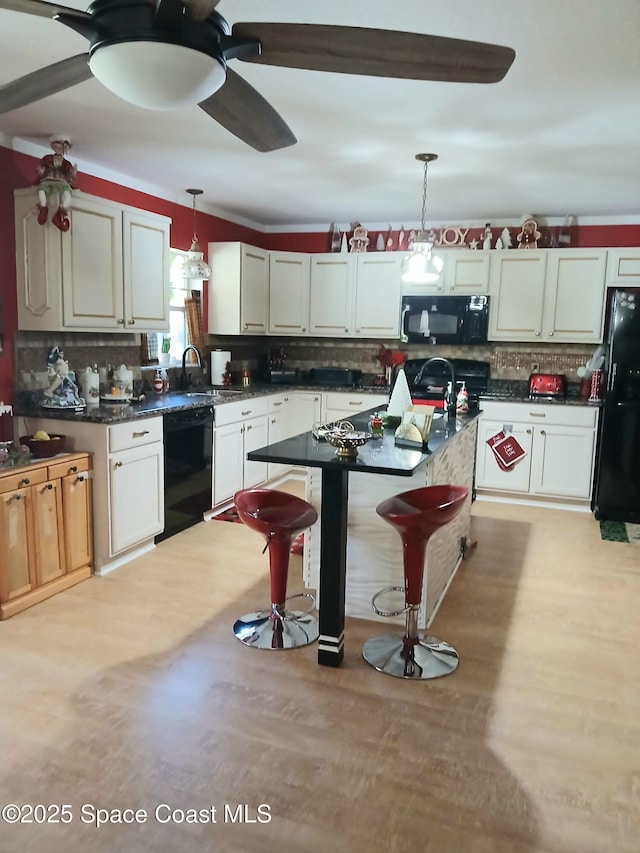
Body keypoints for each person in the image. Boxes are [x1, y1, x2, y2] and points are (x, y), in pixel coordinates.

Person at [35, 135, 77, 232]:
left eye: (60, 148)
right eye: (56, 147)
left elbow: (69, 176)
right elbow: (43, 169)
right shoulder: (48, 158)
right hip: (49, 178)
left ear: (64, 149)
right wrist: (41, 171)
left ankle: (59, 213)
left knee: (67, 195)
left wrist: (72, 173)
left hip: (61, 180)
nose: (58, 150)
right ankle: (43, 208)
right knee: (42, 190)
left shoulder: (66, 163)